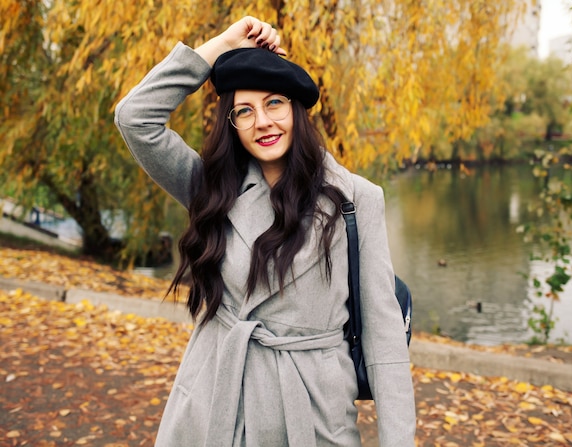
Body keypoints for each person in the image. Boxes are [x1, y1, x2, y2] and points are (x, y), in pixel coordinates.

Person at [115, 16, 416, 447]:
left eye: (274, 103)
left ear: (296, 108)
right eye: (244, 111)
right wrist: (219, 47)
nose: (262, 122)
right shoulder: (213, 188)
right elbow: (135, 118)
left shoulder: (357, 200)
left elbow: (385, 341)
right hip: (215, 404)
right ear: (232, 124)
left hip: (312, 416)